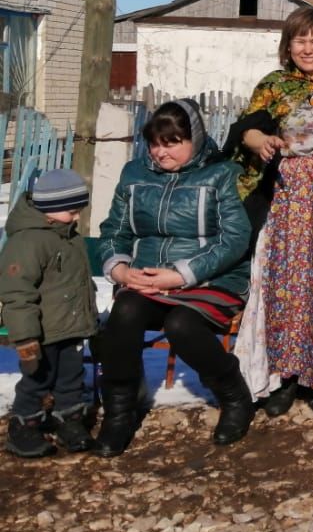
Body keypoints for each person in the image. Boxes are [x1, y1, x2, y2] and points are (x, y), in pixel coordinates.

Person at [94, 100, 254, 456]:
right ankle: (119, 412)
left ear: (194, 140)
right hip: (148, 279)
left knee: (182, 324)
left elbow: (234, 239)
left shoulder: (222, 174)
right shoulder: (135, 174)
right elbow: (113, 232)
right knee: (125, 312)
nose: (160, 152)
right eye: (155, 142)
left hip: (211, 279)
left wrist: (180, 275)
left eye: (172, 142)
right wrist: (119, 269)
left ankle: (234, 396)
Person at [227, 6, 313, 416]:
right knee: (285, 289)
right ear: (288, 46)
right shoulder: (274, 85)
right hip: (286, 201)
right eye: (299, 40)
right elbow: (248, 125)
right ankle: (285, 375)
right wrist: (259, 142)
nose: (307, 47)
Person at [1, 171, 95, 457]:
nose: (77, 217)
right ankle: (24, 426)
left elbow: (79, 283)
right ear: (49, 208)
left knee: (71, 377)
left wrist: (89, 321)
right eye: (72, 210)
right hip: (41, 331)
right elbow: (17, 293)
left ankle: (68, 420)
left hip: (70, 327)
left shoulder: (68, 237)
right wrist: (26, 337)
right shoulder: (28, 242)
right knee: (37, 379)